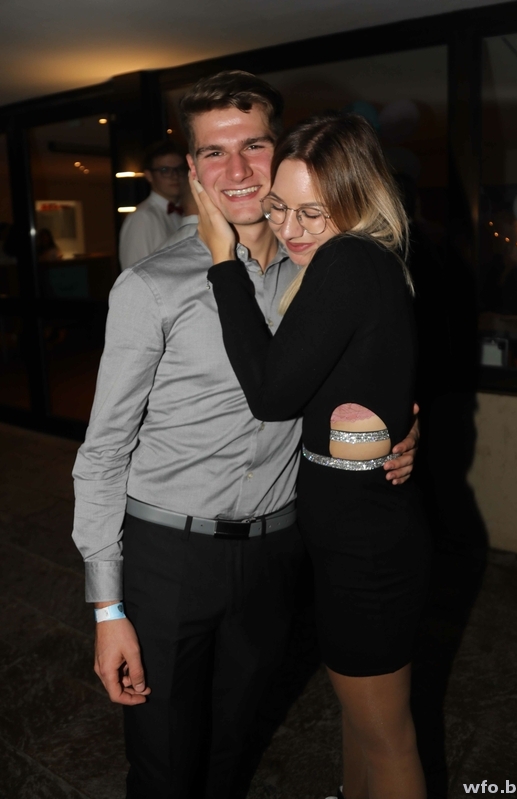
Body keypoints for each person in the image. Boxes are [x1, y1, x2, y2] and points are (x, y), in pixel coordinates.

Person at [72, 71, 418, 799]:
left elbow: (365, 367)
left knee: (234, 754)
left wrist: (399, 429)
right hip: (169, 557)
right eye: (213, 153)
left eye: (254, 146)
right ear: (191, 169)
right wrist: (107, 607)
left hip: (278, 553)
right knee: (165, 770)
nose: (236, 170)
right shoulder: (151, 286)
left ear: (282, 151)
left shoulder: (317, 267)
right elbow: (102, 452)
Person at [194, 110, 431, 799]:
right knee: (362, 723)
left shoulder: (349, 260)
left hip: (366, 552)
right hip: (356, 534)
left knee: (388, 740)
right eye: (280, 208)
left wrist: (221, 261)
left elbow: (272, 395)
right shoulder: (365, 263)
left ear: (357, 204)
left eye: (312, 213)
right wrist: (402, 430)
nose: (291, 229)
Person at [118, 141, 198, 270]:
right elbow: (134, 272)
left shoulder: (184, 212)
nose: (174, 176)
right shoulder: (141, 218)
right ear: (149, 176)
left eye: (179, 169)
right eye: (165, 170)